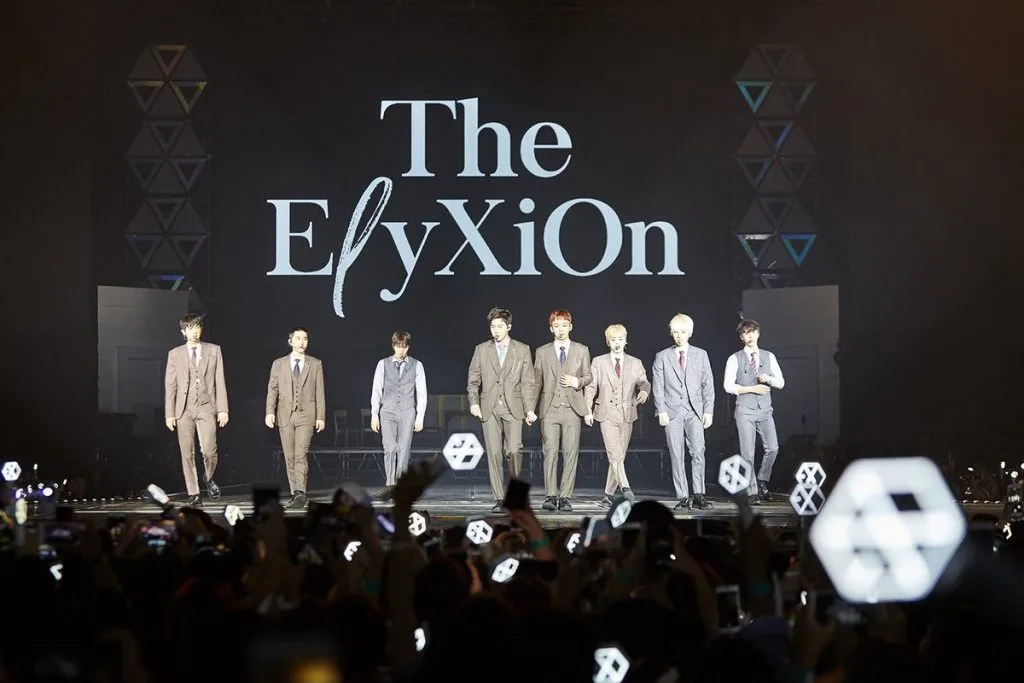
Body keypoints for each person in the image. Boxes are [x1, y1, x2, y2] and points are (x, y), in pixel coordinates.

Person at [467, 307, 536, 513]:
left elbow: (528, 382)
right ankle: (499, 498)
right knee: (494, 454)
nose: (495, 331)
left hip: (513, 407)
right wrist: (474, 402)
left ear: (509, 327)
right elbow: (473, 380)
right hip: (489, 408)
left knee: (514, 450)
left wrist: (529, 409)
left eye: (499, 326)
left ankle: (514, 495)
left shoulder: (522, 349)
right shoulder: (481, 349)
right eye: (492, 327)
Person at [164, 313, 229, 506]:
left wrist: (223, 409)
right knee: (187, 452)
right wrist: (169, 414)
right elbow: (171, 385)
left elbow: (219, 381)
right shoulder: (175, 354)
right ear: (183, 332)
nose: (195, 332)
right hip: (183, 409)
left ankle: (208, 477)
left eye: (197, 327)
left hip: (207, 406)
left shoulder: (214, 350)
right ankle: (194, 493)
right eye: (190, 328)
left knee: (209, 450)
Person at [652, 314, 715, 511]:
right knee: (676, 454)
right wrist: (661, 410)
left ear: (690, 332)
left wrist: (708, 411)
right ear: (671, 333)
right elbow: (658, 386)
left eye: (683, 332)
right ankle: (683, 496)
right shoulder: (662, 356)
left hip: (694, 411)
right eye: (676, 332)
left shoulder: (701, 354)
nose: (679, 336)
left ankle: (699, 494)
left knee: (698, 451)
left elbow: (708, 384)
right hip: (672, 411)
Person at [584, 324, 651, 508]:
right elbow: (591, 387)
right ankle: (626, 488)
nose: (617, 343)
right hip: (606, 414)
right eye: (613, 339)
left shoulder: (635, 363)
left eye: (620, 339)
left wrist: (644, 391)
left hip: (627, 414)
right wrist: (587, 410)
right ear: (608, 342)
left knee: (618, 456)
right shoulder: (598, 362)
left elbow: (644, 382)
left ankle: (608, 494)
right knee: (614, 453)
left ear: (626, 340)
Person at [531, 310, 591, 513]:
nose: (561, 329)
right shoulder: (542, 352)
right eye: (556, 326)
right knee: (550, 452)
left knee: (570, 453)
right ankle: (550, 495)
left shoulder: (581, 350)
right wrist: (530, 409)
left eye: (564, 325)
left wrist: (577, 381)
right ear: (551, 329)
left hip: (572, 409)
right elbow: (536, 382)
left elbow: (589, 376)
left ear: (570, 326)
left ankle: (565, 497)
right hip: (549, 409)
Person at [723, 319, 785, 504]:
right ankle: (752, 491)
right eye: (745, 333)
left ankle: (762, 481)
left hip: (765, 410)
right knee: (747, 453)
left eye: (752, 332)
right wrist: (751, 389)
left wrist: (769, 379)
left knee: (773, 448)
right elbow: (728, 386)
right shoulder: (735, 358)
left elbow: (781, 382)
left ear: (758, 333)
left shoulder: (769, 356)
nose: (749, 336)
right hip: (745, 410)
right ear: (741, 337)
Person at [265, 327, 326, 508]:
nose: (302, 342)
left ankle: (300, 492)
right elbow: (272, 389)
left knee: (301, 454)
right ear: (290, 341)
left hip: (306, 415)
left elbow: (320, 392)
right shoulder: (278, 364)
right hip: (285, 415)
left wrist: (321, 416)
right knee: (289, 456)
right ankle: (295, 493)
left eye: (305, 338)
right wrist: (269, 412)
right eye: (298, 338)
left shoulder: (315, 364)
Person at [370, 331, 428, 501]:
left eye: (404, 346)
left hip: (407, 410)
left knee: (404, 449)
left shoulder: (417, 365)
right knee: (389, 448)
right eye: (398, 346)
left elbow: (422, 393)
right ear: (393, 345)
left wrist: (420, 417)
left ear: (408, 347)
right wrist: (374, 415)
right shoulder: (383, 364)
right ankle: (390, 484)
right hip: (387, 410)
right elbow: (376, 390)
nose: (401, 350)